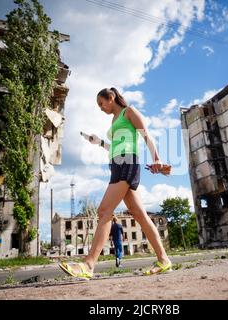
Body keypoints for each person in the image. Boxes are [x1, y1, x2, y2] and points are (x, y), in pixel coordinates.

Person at [59, 87, 172, 280]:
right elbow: (116, 146)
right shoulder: (114, 120)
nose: (100, 108)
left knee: (104, 211)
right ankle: (164, 260)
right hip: (117, 163)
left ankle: (88, 265)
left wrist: (157, 159)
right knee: (140, 215)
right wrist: (100, 143)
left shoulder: (129, 112)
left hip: (127, 162)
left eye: (101, 103)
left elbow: (146, 135)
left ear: (111, 98)